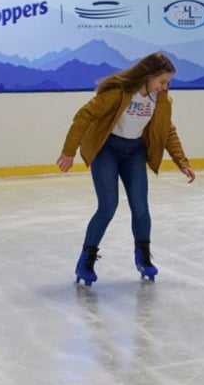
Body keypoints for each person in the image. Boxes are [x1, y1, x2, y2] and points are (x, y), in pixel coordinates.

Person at [57, 52, 196, 287]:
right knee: (108, 206)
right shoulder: (119, 93)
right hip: (106, 150)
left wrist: (182, 162)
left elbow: (167, 131)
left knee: (141, 207)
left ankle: (143, 256)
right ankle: (85, 261)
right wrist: (69, 151)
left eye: (168, 83)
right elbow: (85, 115)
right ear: (149, 76)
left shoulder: (162, 101)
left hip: (134, 152)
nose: (165, 87)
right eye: (163, 81)